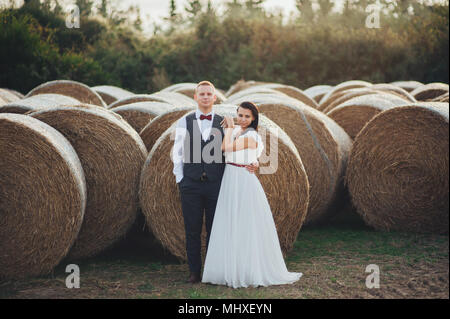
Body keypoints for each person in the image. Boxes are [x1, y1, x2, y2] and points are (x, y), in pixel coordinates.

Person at [201, 101, 302, 288]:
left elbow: (226, 148)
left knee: (245, 225)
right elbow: (248, 154)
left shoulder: (251, 135)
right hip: (231, 178)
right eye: (240, 115)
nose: (243, 119)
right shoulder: (240, 132)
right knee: (231, 222)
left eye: (247, 116)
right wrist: (254, 161)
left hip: (242, 181)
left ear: (254, 118)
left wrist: (230, 128)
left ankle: (247, 270)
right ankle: (230, 268)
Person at [172, 81, 258, 284]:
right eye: (201, 93)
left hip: (216, 184)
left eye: (209, 93)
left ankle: (212, 271)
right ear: (195, 97)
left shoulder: (226, 123)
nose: (205, 96)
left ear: (215, 97)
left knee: (215, 229)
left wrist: (254, 162)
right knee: (192, 229)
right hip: (190, 184)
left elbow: (246, 146)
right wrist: (181, 179)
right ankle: (194, 272)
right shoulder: (184, 121)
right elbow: (177, 153)